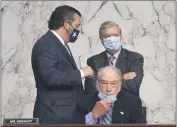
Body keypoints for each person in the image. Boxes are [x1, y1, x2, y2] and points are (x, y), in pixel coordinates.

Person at [31, 5, 93, 124]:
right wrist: (81, 72)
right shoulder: (46, 44)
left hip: (66, 114)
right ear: (66, 25)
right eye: (77, 26)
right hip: (54, 116)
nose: (78, 31)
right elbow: (51, 77)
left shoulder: (59, 44)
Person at [84, 21, 146, 122]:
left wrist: (104, 81)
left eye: (115, 35)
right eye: (107, 36)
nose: (112, 39)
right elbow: (90, 91)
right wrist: (122, 78)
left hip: (127, 112)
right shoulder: (93, 61)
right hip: (99, 111)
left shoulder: (135, 58)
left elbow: (133, 87)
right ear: (101, 39)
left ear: (121, 35)